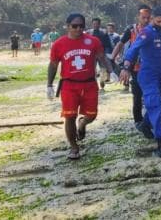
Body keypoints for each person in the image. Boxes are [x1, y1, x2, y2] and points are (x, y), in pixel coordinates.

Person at [46, 13, 118, 159]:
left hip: (90, 84)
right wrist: (49, 85)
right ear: (67, 26)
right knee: (69, 116)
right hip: (69, 86)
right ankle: (74, 147)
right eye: (74, 26)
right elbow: (53, 65)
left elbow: (102, 57)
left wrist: (112, 72)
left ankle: (83, 124)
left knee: (92, 115)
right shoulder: (59, 44)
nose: (78, 29)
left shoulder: (93, 41)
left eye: (81, 26)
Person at [120, 6, 161, 158]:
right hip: (147, 76)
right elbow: (133, 49)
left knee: (157, 105)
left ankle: (145, 125)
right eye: (158, 21)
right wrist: (126, 67)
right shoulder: (146, 32)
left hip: (160, 76)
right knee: (157, 106)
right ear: (152, 19)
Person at [112, 5, 151, 132]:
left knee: (151, 95)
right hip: (135, 68)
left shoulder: (153, 29)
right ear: (138, 17)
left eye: (148, 17)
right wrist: (112, 57)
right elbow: (120, 43)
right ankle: (138, 121)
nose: (146, 20)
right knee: (137, 95)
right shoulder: (132, 30)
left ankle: (150, 120)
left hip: (150, 68)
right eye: (143, 17)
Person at [87, 18, 112, 92]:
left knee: (103, 70)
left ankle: (102, 84)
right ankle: (94, 85)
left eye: (96, 24)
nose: (95, 25)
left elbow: (108, 44)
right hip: (91, 55)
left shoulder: (104, 33)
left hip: (101, 54)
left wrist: (108, 53)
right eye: (94, 24)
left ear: (99, 24)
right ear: (92, 24)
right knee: (92, 70)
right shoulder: (88, 33)